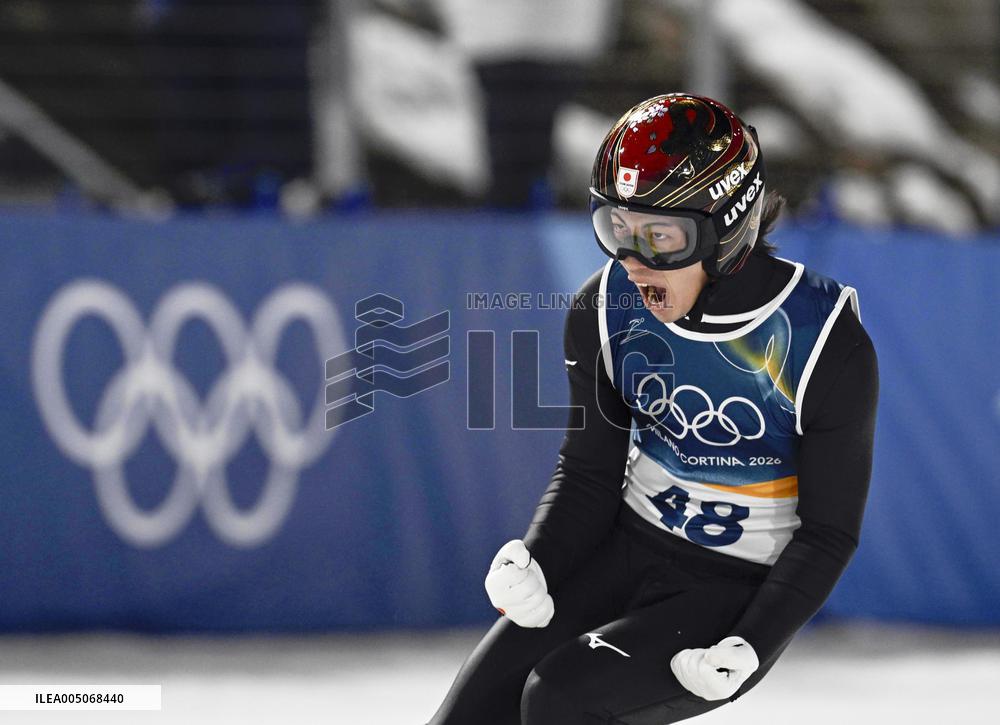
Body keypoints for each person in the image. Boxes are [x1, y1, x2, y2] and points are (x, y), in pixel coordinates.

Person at [428, 93, 879, 724]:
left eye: (662, 237)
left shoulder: (825, 340)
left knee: (558, 700)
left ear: (729, 229)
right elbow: (587, 473)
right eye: (618, 229)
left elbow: (829, 532)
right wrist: (537, 559)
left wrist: (753, 642)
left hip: (732, 589)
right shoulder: (604, 308)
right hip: (624, 549)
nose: (635, 263)